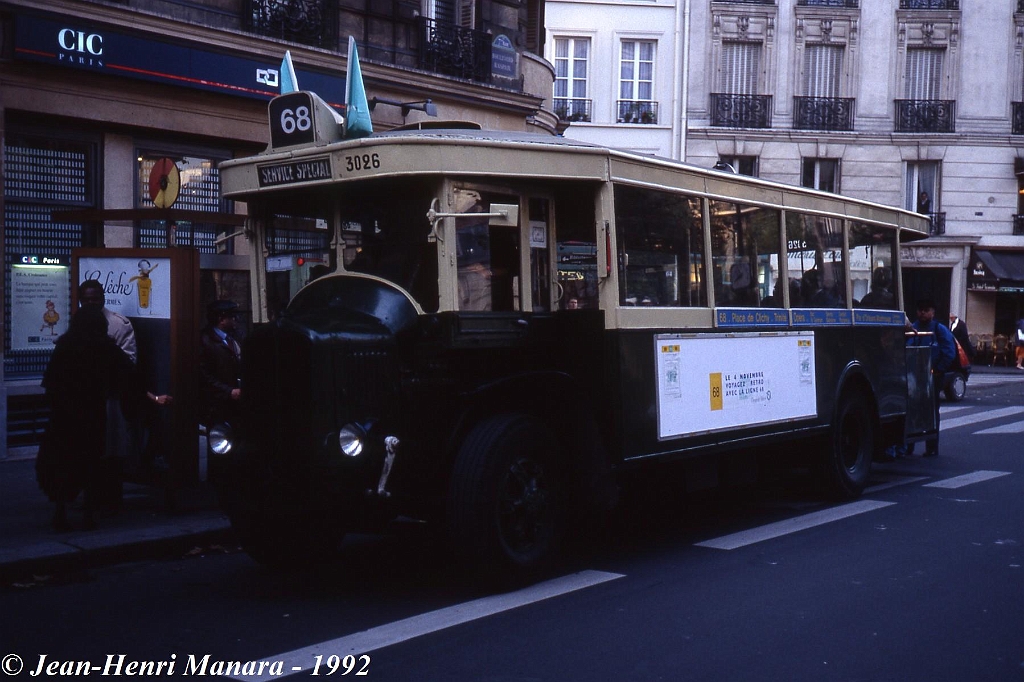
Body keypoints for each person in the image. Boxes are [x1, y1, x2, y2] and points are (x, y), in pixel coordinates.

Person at [36, 305, 142, 530]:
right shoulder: (104, 346)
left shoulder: (66, 344)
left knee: (63, 462)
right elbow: (127, 375)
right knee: (91, 462)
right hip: (92, 412)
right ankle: (89, 513)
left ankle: (61, 511)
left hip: (64, 415)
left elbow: (51, 380)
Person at [906, 297, 957, 456]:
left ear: (933, 313)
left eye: (926, 310)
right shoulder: (912, 328)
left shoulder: (940, 329)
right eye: (920, 310)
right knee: (912, 410)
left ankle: (932, 447)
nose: (922, 313)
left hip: (933, 376)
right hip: (914, 376)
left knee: (932, 410)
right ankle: (909, 446)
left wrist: (938, 370)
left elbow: (949, 352)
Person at [200, 300, 243, 428]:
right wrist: (228, 391)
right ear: (221, 319)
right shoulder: (205, 341)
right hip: (216, 404)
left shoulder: (234, 337)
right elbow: (204, 375)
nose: (236, 320)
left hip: (234, 402)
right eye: (232, 317)